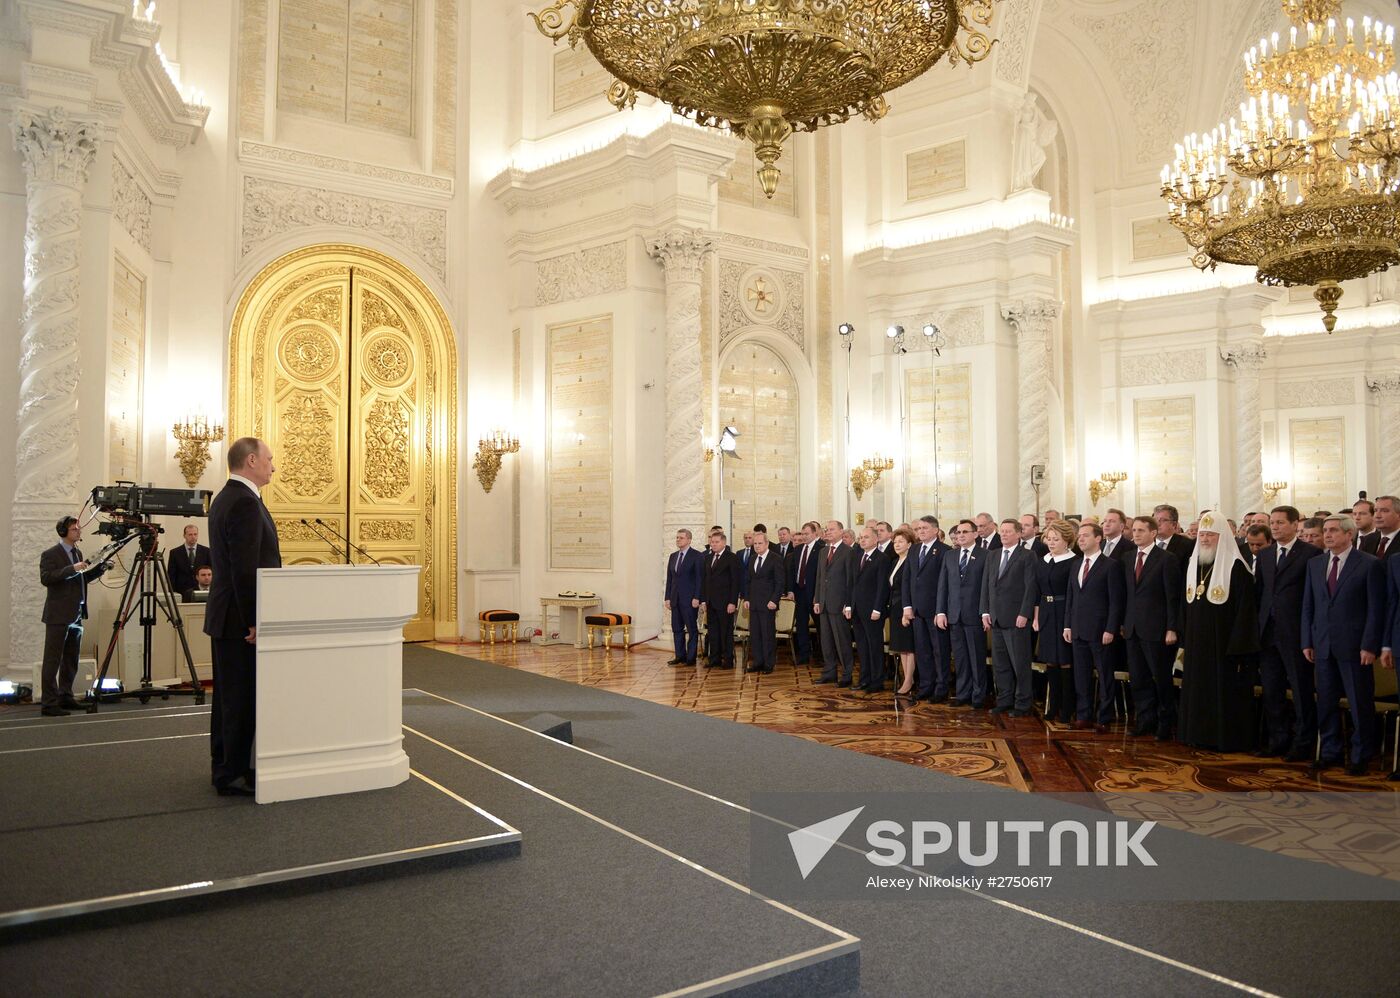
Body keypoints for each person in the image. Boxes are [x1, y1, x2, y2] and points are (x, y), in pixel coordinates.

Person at [205, 436, 282, 797]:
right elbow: (244, 568)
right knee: (239, 698)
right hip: (239, 619)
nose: (273, 465)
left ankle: (225, 765)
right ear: (251, 460)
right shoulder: (244, 502)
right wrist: (254, 619)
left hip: (227, 615)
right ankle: (234, 772)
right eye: (268, 458)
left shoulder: (226, 497)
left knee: (228, 698)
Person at [1302, 515, 1386, 776]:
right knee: (1325, 703)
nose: (1328, 535)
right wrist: (1307, 640)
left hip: (1355, 647)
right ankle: (1330, 752)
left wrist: (1369, 645)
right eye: (1325, 530)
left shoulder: (1369, 564)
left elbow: (1376, 609)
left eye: (1334, 530)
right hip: (1323, 645)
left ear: (1349, 535)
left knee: (1359, 704)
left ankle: (1361, 755)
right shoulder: (1315, 564)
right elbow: (1309, 606)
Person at [1178, 510, 1259, 752]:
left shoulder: (1236, 568)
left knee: (1221, 690)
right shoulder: (1193, 564)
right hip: (1195, 642)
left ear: (1222, 537)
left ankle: (1222, 738)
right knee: (1196, 688)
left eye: (1210, 535)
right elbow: (1185, 605)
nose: (1204, 539)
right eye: (1202, 534)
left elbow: (1245, 612)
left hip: (1223, 644)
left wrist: (1237, 646)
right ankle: (1195, 733)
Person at [1255, 505, 1321, 761]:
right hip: (1268, 632)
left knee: (1301, 690)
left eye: (1281, 522)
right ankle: (1277, 740)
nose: (1275, 526)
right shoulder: (1266, 554)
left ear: (1296, 525)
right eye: (1273, 522)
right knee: (1272, 690)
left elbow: (1312, 597)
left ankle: (1303, 743)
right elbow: (1260, 592)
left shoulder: (1311, 554)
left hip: (1295, 633)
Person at [38, 515, 108, 716]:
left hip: (76, 614)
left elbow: (81, 579)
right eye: (74, 529)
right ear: (63, 532)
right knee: (52, 660)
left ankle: (65, 696)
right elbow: (47, 578)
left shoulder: (77, 553)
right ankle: (49, 703)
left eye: (78, 528)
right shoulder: (50, 554)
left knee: (70, 659)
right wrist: (71, 569)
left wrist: (101, 569)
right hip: (58, 615)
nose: (79, 531)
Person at [1121, 515, 1183, 739]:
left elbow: (1172, 597)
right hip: (1133, 627)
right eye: (1134, 530)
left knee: (1161, 678)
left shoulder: (1167, 559)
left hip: (1157, 628)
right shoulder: (1128, 558)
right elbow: (1127, 594)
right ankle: (1145, 720)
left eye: (1140, 530)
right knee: (1138, 678)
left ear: (1153, 533)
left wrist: (1171, 628)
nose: (1135, 534)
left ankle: (1165, 723)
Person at [1063, 521, 1125, 732]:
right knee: (1081, 676)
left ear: (1098, 538)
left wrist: (1110, 629)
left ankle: (1104, 717)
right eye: (1079, 536)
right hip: (1078, 629)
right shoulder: (1076, 564)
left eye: (1085, 535)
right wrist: (1067, 626)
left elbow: (1116, 601)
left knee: (1105, 675)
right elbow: (1071, 598)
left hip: (1101, 631)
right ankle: (1084, 715)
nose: (1080, 539)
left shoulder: (1110, 565)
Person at [980, 518, 1036, 716]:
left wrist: (1024, 613)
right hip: (996, 618)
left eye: (1008, 531)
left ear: (1019, 534)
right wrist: (985, 611)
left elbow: (1031, 587)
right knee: (1000, 664)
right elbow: (986, 585)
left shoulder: (1028, 556)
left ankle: (1022, 703)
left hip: (1016, 618)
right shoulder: (993, 555)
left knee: (1019, 664)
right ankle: (1004, 699)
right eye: (1002, 531)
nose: (1003, 534)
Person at [1030, 520, 1079, 724]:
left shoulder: (1074, 561)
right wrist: (1036, 617)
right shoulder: (1043, 560)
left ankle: (1067, 708)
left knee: (1065, 660)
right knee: (1050, 660)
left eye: (1055, 539)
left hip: (1065, 611)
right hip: (1046, 612)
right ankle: (1053, 705)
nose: (1051, 543)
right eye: (1048, 539)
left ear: (1067, 540)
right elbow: (1037, 591)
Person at [936, 519, 988, 708]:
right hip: (954, 614)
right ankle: (962, 693)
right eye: (958, 532)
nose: (961, 535)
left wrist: (985, 612)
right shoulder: (950, 555)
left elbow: (986, 588)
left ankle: (978, 695)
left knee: (976, 657)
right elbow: (943, 585)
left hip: (974, 614)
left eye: (965, 532)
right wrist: (941, 611)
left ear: (975, 534)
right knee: (960, 657)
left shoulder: (986, 555)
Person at [902, 515, 951, 702]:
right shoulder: (914, 550)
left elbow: (944, 584)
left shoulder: (944, 551)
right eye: (918, 529)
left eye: (924, 528)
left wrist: (941, 610)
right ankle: (926, 686)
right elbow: (907, 579)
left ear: (935, 531)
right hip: (917, 610)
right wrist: (907, 606)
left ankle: (941, 688)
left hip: (935, 611)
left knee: (939, 651)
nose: (920, 531)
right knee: (922, 651)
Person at [847, 526, 890, 693]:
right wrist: (849, 604)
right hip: (857, 609)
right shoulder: (856, 556)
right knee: (862, 646)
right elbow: (851, 583)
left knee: (874, 646)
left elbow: (882, 586)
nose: (862, 540)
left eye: (865, 537)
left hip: (872, 610)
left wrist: (878, 608)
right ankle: (864, 679)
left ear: (875, 539)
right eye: (860, 537)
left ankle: (877, 681)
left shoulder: (882, 558)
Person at [814, 520, 856, 686]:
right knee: (826, 641)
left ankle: (847, 674)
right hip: (824, 602)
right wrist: (817, 599)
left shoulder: (848, 552)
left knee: (842, 641)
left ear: (841, 532)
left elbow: (849, 580)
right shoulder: (823, 551)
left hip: (839, 604)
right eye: (826, 529)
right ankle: (829, 672)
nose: (828, 532)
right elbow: (819, 577)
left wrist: (847, 603)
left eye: (832, 529)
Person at [743, 528, 784, 674]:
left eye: (760, 543)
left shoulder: (775, 558)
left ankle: (768, 663)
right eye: (755, 543)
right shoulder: (753, 558)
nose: (757, 546)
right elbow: (748, 581)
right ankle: (757, 662)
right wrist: (746, 598)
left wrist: (774, 600)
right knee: (755, 634)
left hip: (768, 604)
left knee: (767, 635)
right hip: (753, 603)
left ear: (767, 544)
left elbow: (780, 582)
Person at [702, 531, 742, 669]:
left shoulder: (732, 558)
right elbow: (705, 581)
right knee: (713, 632)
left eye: (716, 542)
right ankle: (714, 659)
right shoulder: (708, 558)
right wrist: (704, 601)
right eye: (712, 542)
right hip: (711, 602)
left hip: (726, 603)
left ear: (724, 542)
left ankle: (728, 660)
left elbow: (735, 581)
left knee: (725, 632)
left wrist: (733, 602)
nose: (713, 544)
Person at [664, 528, 704, 666]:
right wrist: (667, 597)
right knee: (677, 629)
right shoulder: (673, 556)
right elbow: (670, 579)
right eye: (677, 537)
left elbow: (699, 579)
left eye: (681, 538)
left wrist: (697, 597)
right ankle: (680, 655)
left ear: (689, 540)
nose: (678, 540)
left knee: (692, 629)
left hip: (690, 600)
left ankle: (691, 658)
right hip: (675, 599)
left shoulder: (697, 556)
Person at [787, 521, 824, 666]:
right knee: (801, 625)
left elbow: (821, 574)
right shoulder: (798, 549)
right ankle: (804, 655)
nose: (804, 536)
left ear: (815, 534)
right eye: (802, 534)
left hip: (814, 593)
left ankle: (821, 656)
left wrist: (818, 595)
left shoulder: (822, 549)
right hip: (799, 592)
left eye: (807, 534)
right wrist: (791, 590)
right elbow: (792, 571)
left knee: (820, 626)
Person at [886, 526, 917, 697]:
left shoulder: (910, 562)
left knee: (908, 646)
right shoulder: (894, 561)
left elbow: (910, 588)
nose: (896, 545)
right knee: (901, 648)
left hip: (906, 608)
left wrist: (907, 610)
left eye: (900, 542)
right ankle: (907, 678)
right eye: (895, 542)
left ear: (910, 544)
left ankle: (909, 680)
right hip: (895, 608)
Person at [167, 523, 211, 595]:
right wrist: (173, 593)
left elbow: (211, 571)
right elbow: (171, 575)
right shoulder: (175, 553)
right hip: (181, 591)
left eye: (195, 534)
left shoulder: (206, 551)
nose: (193, 537)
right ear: (184, 536)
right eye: (190, 534)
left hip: (201, 591)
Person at [1360, 494, 1399, 559]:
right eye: (1375, 511)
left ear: (1399, 515)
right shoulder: (1368, 539)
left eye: (1384, 511)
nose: (1377, 516)